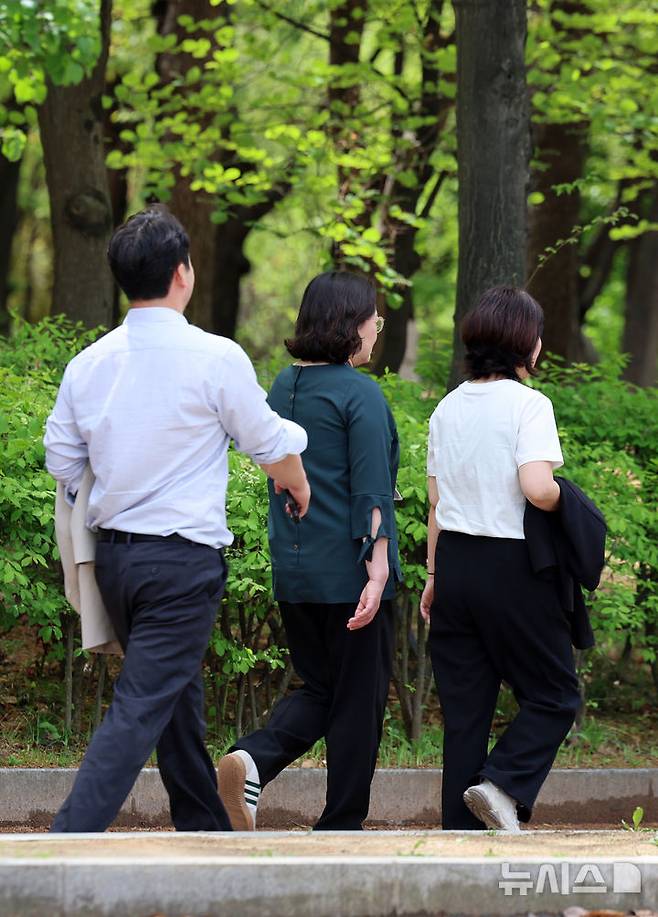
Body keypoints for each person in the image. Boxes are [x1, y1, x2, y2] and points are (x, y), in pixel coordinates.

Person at [44, 205, 310, 833]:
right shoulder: (215, 357)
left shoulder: (89, 363)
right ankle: (65, 839)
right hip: (181, 562)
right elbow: (269, 443)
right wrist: (297, 484)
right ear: (183, 273)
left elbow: (61, 456)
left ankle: (202, 828)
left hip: (113, 557)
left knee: (175, 698)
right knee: (141, 705)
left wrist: (112, 480)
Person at [216, 270, 402, 831]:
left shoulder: (282, 386)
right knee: (359, 701)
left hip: (295, 571)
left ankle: (254, 758)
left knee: (322, 687)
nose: (378, 328)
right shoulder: (359, 394)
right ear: (351, 324)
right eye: (374, 317)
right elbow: (371, 489)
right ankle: (341, 822)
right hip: (350, 572)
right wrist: (377, 572)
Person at [420, 286, 581, 833]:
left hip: (458, 566)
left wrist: (435, 575)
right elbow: (537, 488)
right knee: (556, 693)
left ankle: (457, 840)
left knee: (465, 714)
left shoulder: (446, 408)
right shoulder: (529, 405)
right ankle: (504, 785)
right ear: (525, 343)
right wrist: (571, 500)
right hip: (512, 567)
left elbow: (437, 506)